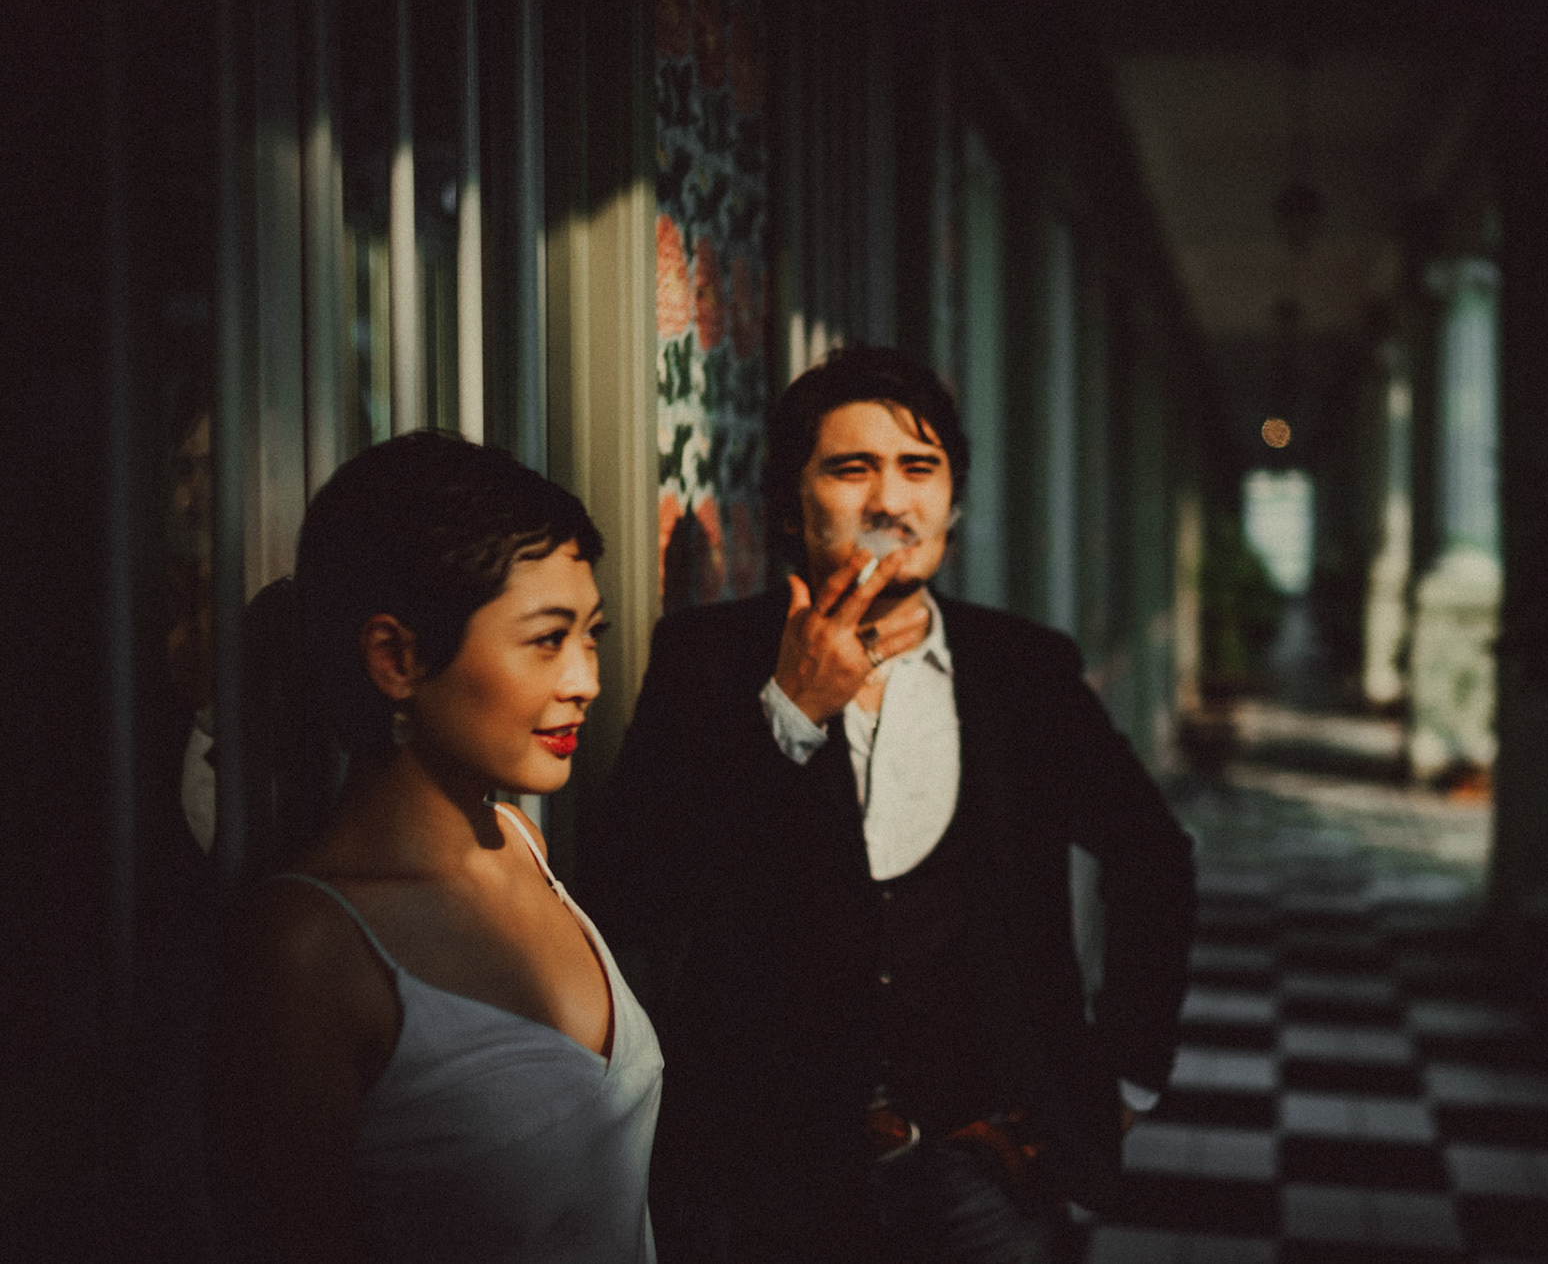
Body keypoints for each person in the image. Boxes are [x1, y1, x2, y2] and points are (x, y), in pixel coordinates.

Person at [588, 347, 1196, 1262]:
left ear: (952, 500)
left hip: (986, 1166)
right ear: (793, 504)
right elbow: (632, 891)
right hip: (767, 1176)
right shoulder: (707, 659)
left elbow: (1154, 857)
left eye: (919, 469)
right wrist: (788, 714)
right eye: (850, 468)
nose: (889, 500)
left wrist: (1125, 1079)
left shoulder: (1023, 670)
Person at [208, 431, 663, 1263]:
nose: (586, 679)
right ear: (397, 657)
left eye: (591, 634)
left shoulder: (521, 843)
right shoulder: (309, 949)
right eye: (546, 639)